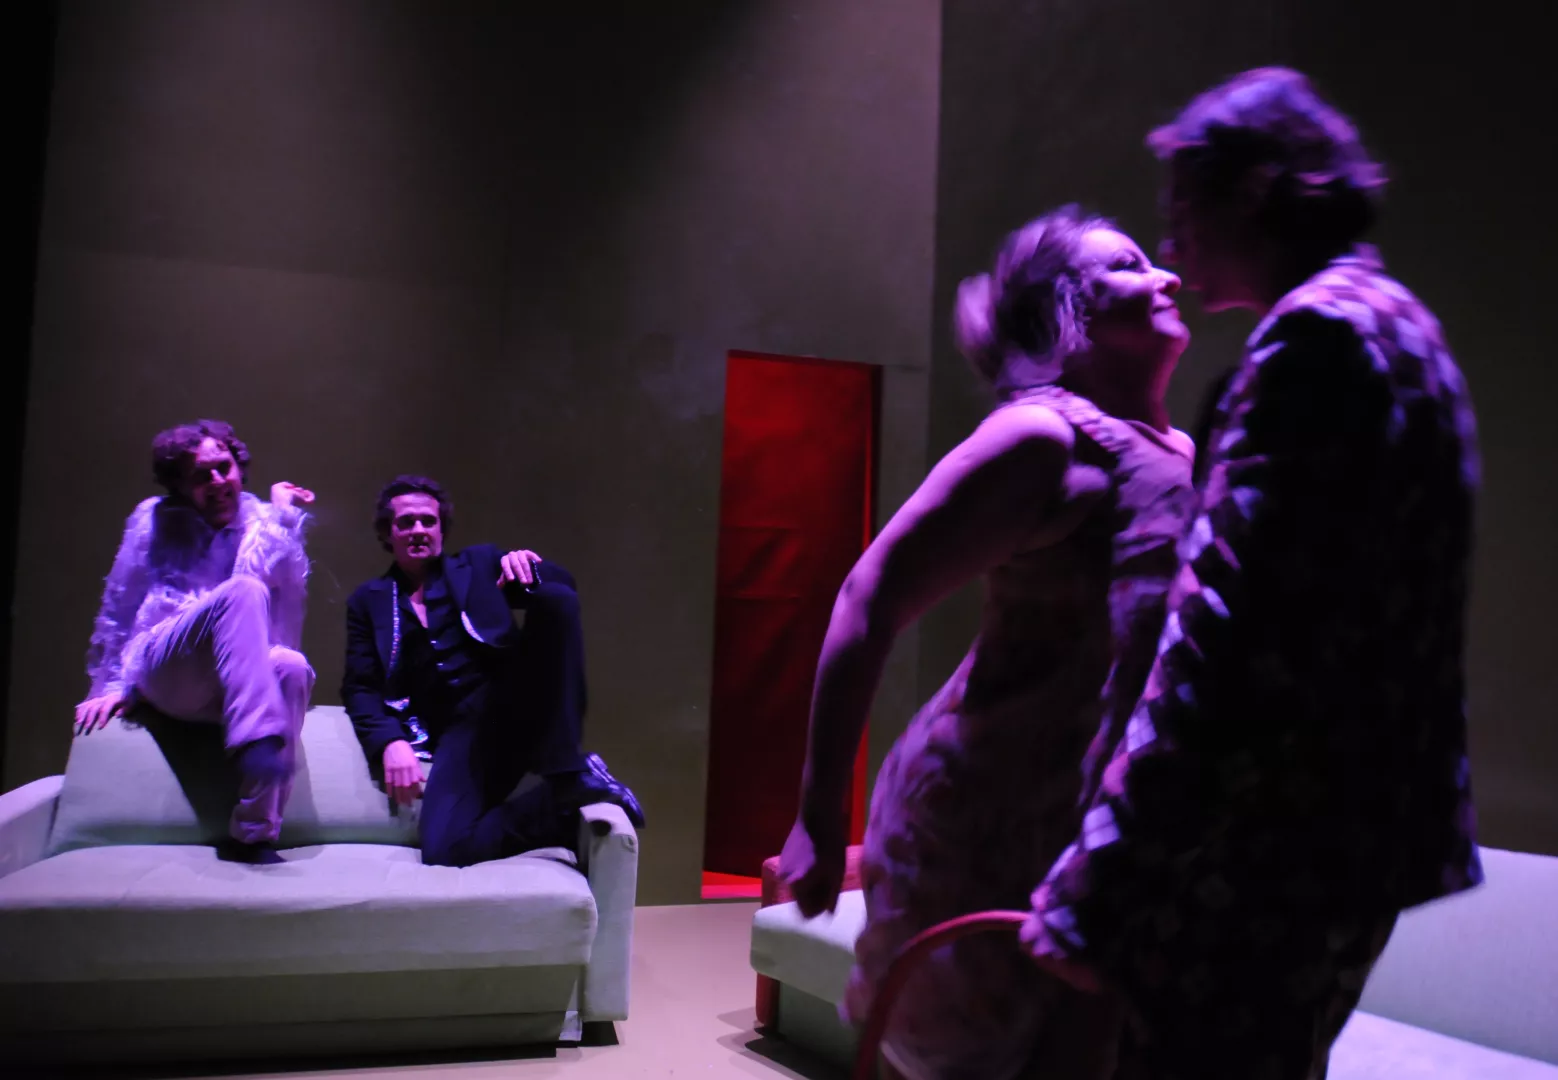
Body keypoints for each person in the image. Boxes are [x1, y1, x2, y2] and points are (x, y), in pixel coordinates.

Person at [1025, 69, 1483, 1080]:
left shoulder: (1311, 342)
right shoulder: (1407, 328)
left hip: (1265, 848)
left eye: (1183, 210)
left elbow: (1222, 640)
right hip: (1356, 843)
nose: (1172, 245)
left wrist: (1101, 877)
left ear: (1255, 190)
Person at [779, 206, 1197, 1080]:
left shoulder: (1180, 452)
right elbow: (869, 595)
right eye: (1128, 266)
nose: (1166, 277)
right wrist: (818, 817)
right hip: (986, 826)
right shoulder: (1043, 438)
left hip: (1095, 832)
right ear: (1070, 313)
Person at [341, 475, 643, 868]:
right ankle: (564, 801)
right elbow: (360, 687)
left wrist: (531, 568)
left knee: (554, 598)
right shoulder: (369, 601)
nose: (418, 530)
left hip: (513, 699)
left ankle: (566, 768)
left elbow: (563, 590)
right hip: (460, 732)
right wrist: (389, 742)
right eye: (406, 522)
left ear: (441, 529)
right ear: (387, 533)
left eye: (428, 521)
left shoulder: (480, 565)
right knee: (444, 849)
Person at [75, 419, 316, 864]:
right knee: (243, 591)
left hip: (228, 678)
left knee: (292, 666)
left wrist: (281, 516)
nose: (218, 481)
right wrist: (109, 685)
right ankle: (256, 737)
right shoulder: (153, 519)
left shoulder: (260, 519)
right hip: (165, 662)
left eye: (224, 468)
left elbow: (279, 604)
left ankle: (254, 835)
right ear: (181, 485)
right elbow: (121, 603)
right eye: (201, 475)